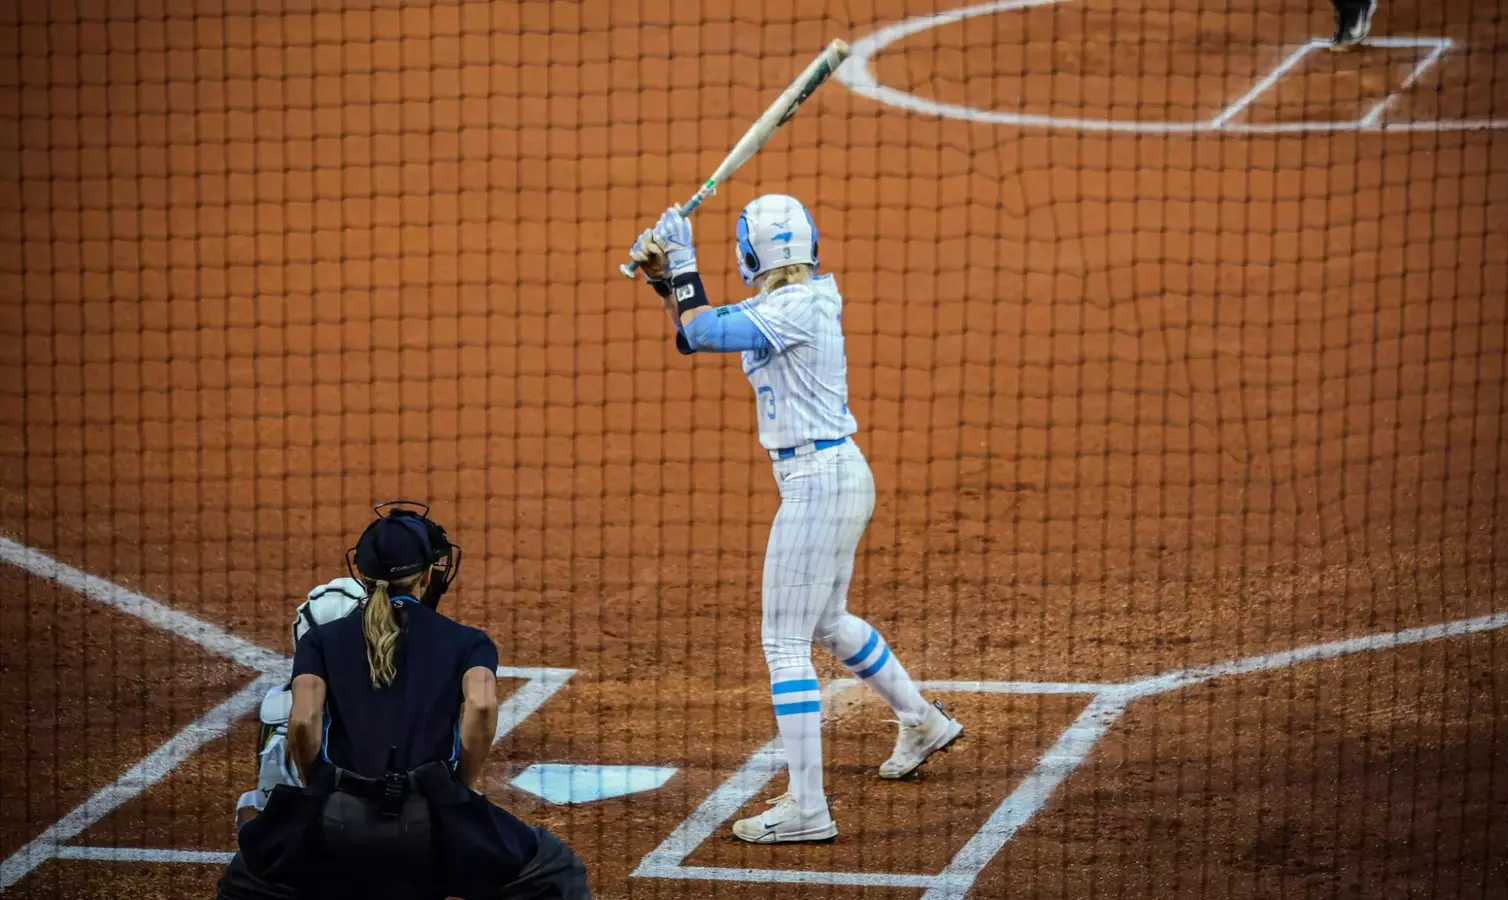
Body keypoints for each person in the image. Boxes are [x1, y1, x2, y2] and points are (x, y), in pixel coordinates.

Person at [627, 197, 965, 844]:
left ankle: (808, 808)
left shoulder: (796, 307)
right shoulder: (795, 304)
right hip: (833, 477)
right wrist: (664, 279)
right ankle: (921, 720)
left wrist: (686, 257)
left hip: (818, 484)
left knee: (783, 642)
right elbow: (690, 332)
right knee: (828, 622)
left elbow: (700, 329)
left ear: (749, 254)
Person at [217, 502, 590, 900]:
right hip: (435, 825)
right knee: (558, 873)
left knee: (246, 879)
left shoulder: (320, 641)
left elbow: (304, 719)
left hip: (335, 822)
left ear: (360, 574)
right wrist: (459, 790)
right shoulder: (467, 641)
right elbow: (482, 707)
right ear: (428, 575)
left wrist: (321, 792)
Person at [236, 576, 369, 829]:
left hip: (310, 851)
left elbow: (266, 809)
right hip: (397, 844)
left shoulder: (278, 707)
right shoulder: (409, 696)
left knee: (248, 807)